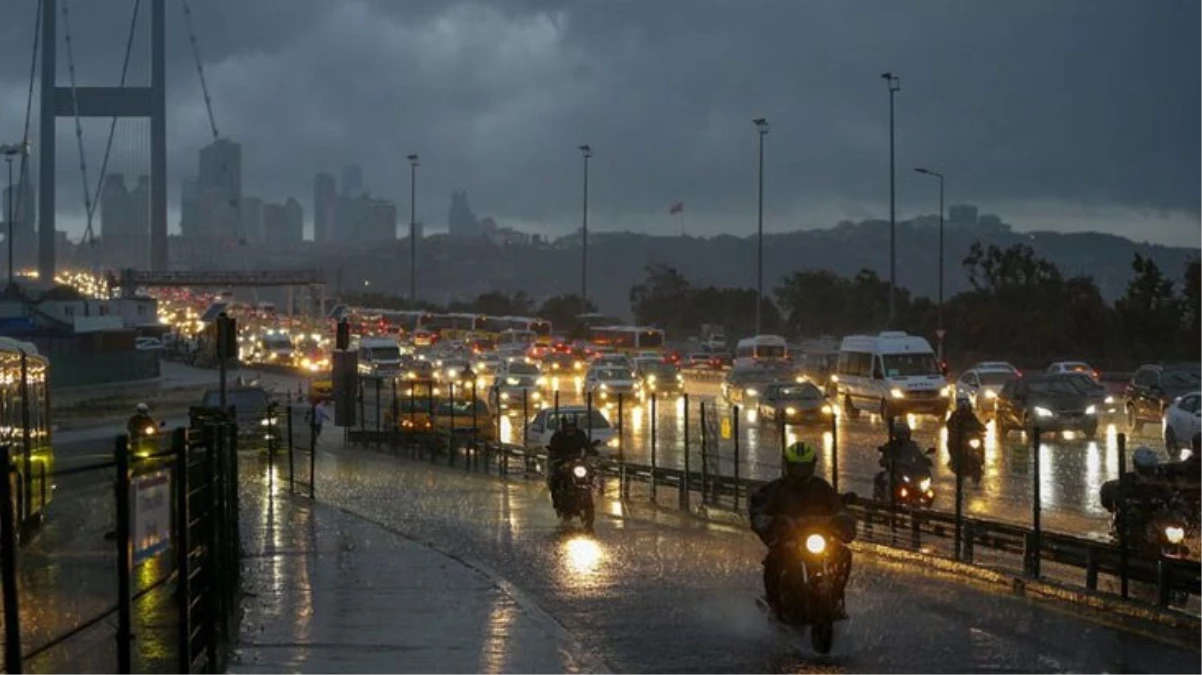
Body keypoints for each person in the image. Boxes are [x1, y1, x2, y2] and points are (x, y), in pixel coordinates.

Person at [750, 442, 855, 620]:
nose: (800, 471)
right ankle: (774, 602)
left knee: (843, 554)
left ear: (812, 466)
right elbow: (759, 511)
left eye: (804, 467)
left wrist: (844, 521)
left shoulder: (821, 487)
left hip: (819, 539)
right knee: (774, 559)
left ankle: (836, 597)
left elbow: (838, 508)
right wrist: (772, 524)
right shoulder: (775, 489)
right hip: (789, 541)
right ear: (788, 466)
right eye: (796, 467)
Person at [546, 415, 591, 511]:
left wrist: (591, 449)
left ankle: (587, 495)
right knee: (556, 478)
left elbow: (586, 444)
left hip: (577, 461)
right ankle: (557, 500)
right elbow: (552, 449)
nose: (571, 429)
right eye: (568, 427)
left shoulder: (580, 434)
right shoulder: (557, 436)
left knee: (589, 472)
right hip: (562, 461)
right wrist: (555, 454)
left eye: (572, 427)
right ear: (564, 427)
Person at [874, 422, 930, 496]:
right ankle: (888, 496)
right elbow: (884, 457)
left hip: (910, 471)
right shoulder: (891, 445)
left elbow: (918, 454)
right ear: (896, 435)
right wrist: (887, 460)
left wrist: (925, 459)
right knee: (887, 478)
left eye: (904, 434)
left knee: (926, 488)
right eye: (900, 434)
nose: (903, 436)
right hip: (896, 472)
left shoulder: (913, 445)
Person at [946, 395, 985, 480]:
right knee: (953, 446)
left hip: (971, 438)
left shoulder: (971, 415)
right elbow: (949, 424)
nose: (963, 406)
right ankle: (955, 462)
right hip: (960, 439)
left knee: (981, 444)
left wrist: (982, 427)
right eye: (962, 404)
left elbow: (978, 423)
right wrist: (954, 431)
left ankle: (981, 462)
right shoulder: (954, 415)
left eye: (965, 404)